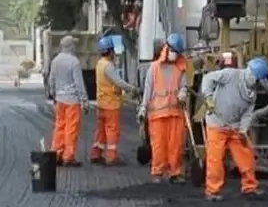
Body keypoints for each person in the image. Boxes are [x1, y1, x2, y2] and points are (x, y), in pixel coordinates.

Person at [200, 57, 268, 202]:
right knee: (215, 159)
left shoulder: (251, 94)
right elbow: (207, 79)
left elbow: (247, 114)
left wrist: (243, 130)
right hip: (216, 124)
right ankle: (212, 191)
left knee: (246, 156)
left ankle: (249, 186)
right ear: (251, 75)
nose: (257, 84)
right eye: (257, 80)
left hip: (235, 128)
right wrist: (208, 97)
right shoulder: (230, 74)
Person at [138, 33, 189, 183]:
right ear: (166, 48)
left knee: (176, 146)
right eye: (173, 51)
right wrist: (143, 108)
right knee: (159, 145)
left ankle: (175, 172)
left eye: (177, 52)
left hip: (175, 113)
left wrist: (183, 92)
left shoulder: (180, 67)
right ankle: (158, 172)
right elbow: (148, 89)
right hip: (158, 114)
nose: (175, 55)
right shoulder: (154, 68)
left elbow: (184, 85)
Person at [90, 36, 137, 165]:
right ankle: (111, 157)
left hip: (101, 103)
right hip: (111, 104)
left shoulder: (99, 64)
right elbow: (118, 82)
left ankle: (96, 153)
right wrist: (132, 88)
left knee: (100, 131)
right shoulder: (109, 66)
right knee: (112, 131)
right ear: (110, 51)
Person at [48, 35, 89, 166]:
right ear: (70, 46)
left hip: (60, 100)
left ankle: (56, 154)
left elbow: (51, 79)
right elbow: (79, 83)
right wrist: (84, 100)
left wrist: (53, 94)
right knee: (71, 129)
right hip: (72, 101)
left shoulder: (55, 61)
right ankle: (68, 157)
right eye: (74, 45)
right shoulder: (74, 61)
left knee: (59, 127)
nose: (75, 47)